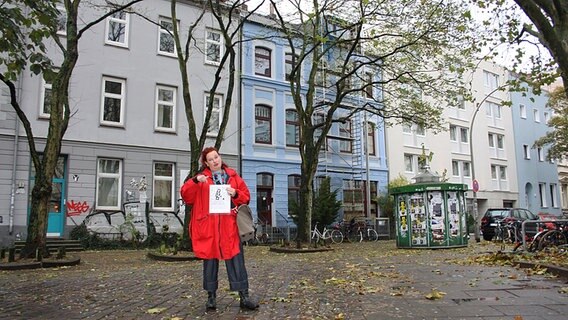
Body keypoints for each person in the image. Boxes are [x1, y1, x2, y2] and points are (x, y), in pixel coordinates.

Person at [180, 147, 259, 311]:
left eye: (216, 157)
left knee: (237, 261)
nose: (215, 160)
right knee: (209, 263)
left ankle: (244, 297)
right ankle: (211, 297)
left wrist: (235, 193)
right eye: (211, 159)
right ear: (206, 163)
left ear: (220, 157)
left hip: (229, 227)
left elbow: (246, 197)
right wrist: (195, 181)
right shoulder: (201, 179)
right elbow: (186, 196)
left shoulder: (233, 176)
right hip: (208, 228)